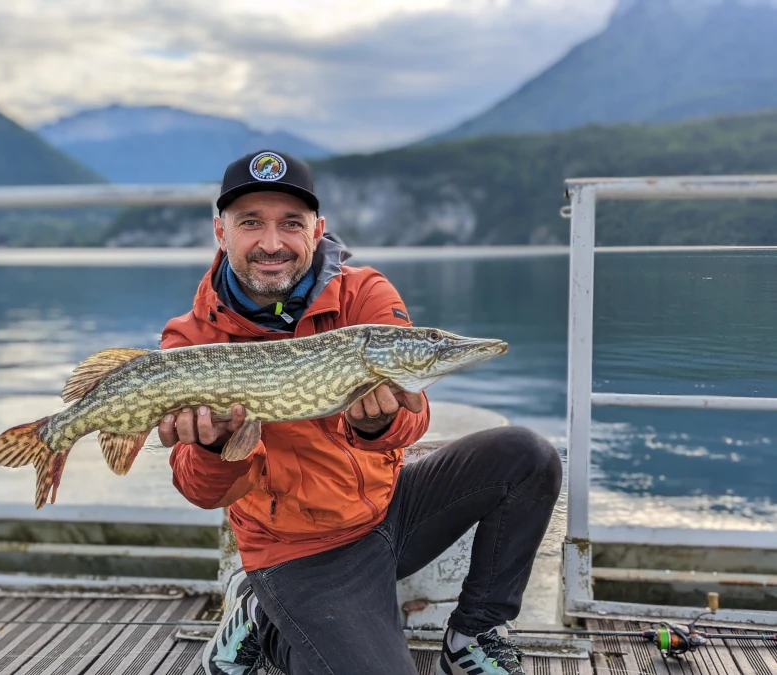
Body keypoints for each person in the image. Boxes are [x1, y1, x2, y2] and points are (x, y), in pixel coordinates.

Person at [158, 149, 562, 675]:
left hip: (390, 509)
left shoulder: (366, 293)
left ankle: (475, 632)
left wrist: (378, 422)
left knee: (528, 455)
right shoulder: (190, 339)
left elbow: (414, 417)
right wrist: (213, 445)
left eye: (291, 224)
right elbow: (200, 490)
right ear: (221, 231)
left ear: (317, 229)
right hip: (299, 551)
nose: (272, 243)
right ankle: (261, 618)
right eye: (251, 223)